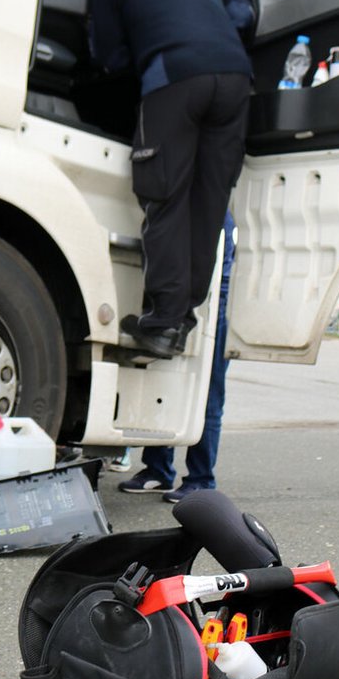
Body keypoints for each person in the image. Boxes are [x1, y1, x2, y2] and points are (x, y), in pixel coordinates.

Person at [87, 0, 253, 359]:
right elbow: (243, 13)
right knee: (209, 199)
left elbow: (109, 56)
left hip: (174, 78)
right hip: (235, 79)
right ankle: (182, 318)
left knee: (165, 194)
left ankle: (162, 322)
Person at [119, 212, 234, 497]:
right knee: (164, 383)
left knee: (208, 393)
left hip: (213, 302)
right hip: (175, 301)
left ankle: (201, 479)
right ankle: (158, 470)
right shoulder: (180, 200)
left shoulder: (215, 208)